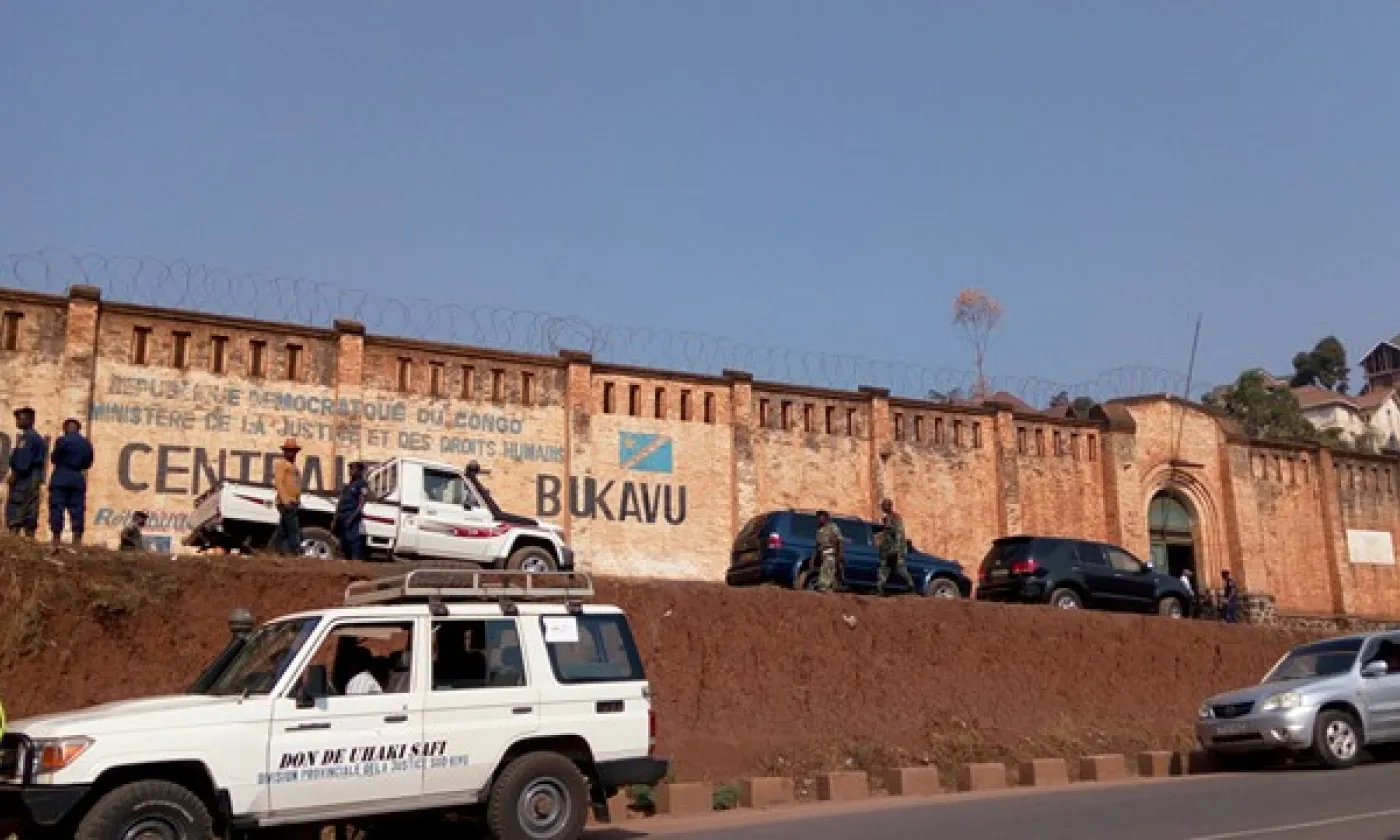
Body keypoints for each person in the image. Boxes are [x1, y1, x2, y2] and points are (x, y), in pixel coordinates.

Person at [48, 417, 94, 545]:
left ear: (65, 428)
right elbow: (88, 463)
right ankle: (77, 539)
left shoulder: (62, 440)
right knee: (77, 509)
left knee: (57, 507)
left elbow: (54, 458)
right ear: (79, 429)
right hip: (77, 478)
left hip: (61, 477)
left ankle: (56, 537)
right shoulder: (86, 443)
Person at [5, 407, 48, 538]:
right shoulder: (32, 437)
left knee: (18, 506)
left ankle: (14, 537)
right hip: (32, 477)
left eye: (20, 418)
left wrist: (14, 475)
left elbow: (23, 462)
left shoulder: (28, 438)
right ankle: (29, 537)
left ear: (30, 420)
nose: (17, 421)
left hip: (24, 478)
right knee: (30, 507)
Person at [875, 498, 914, 596]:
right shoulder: (887, 518)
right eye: (882, 506)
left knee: (900, 568)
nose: (882, 508)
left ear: (889, 506)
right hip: (887, 550)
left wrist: (897, 549)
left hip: (896, 549)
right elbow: (887, 533)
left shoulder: (895, 518)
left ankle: (910, 586)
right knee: (884, 568)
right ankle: (880, 588)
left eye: (884, 505)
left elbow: (899, 534)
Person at [271, 438, 303, 556]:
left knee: (283, 530)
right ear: (284, 451)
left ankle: (272, 550)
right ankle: (297, 552)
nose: (290, 452)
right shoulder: (281, 464)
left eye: (293, 450)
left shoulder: (295, 467)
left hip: (293, 502)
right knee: (293, 529)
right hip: (286, 502)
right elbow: (278, 482)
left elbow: (296, 485)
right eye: (288, 450)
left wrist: (297, 500)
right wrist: (285, 500)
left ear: (296, 452)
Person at [333, 461, 368, 561]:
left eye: (353, 469)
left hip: (352, 516)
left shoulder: (362, 484)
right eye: (350, 469)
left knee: (353, 540)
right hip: (342, 516)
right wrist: (335, 518)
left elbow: (361, 504)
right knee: (343, 542)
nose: (351, 471)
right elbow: (340, 502)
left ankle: (355, 561)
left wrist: (352, 517)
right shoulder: (348, 485)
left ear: (360, 471)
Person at [813, 510, 843, 592]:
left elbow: (839, 540)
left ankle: (823, 587)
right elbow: (817, 544)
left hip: (831, 552)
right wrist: (814, 556)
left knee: (826, 569)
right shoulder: (820, 529)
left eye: (821, 518)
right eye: (818, 518)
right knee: (828, 571)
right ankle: (831, 587)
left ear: (826, 518)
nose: (818, 519)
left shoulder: (833, 527)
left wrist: (840, 554)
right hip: (822, 553)